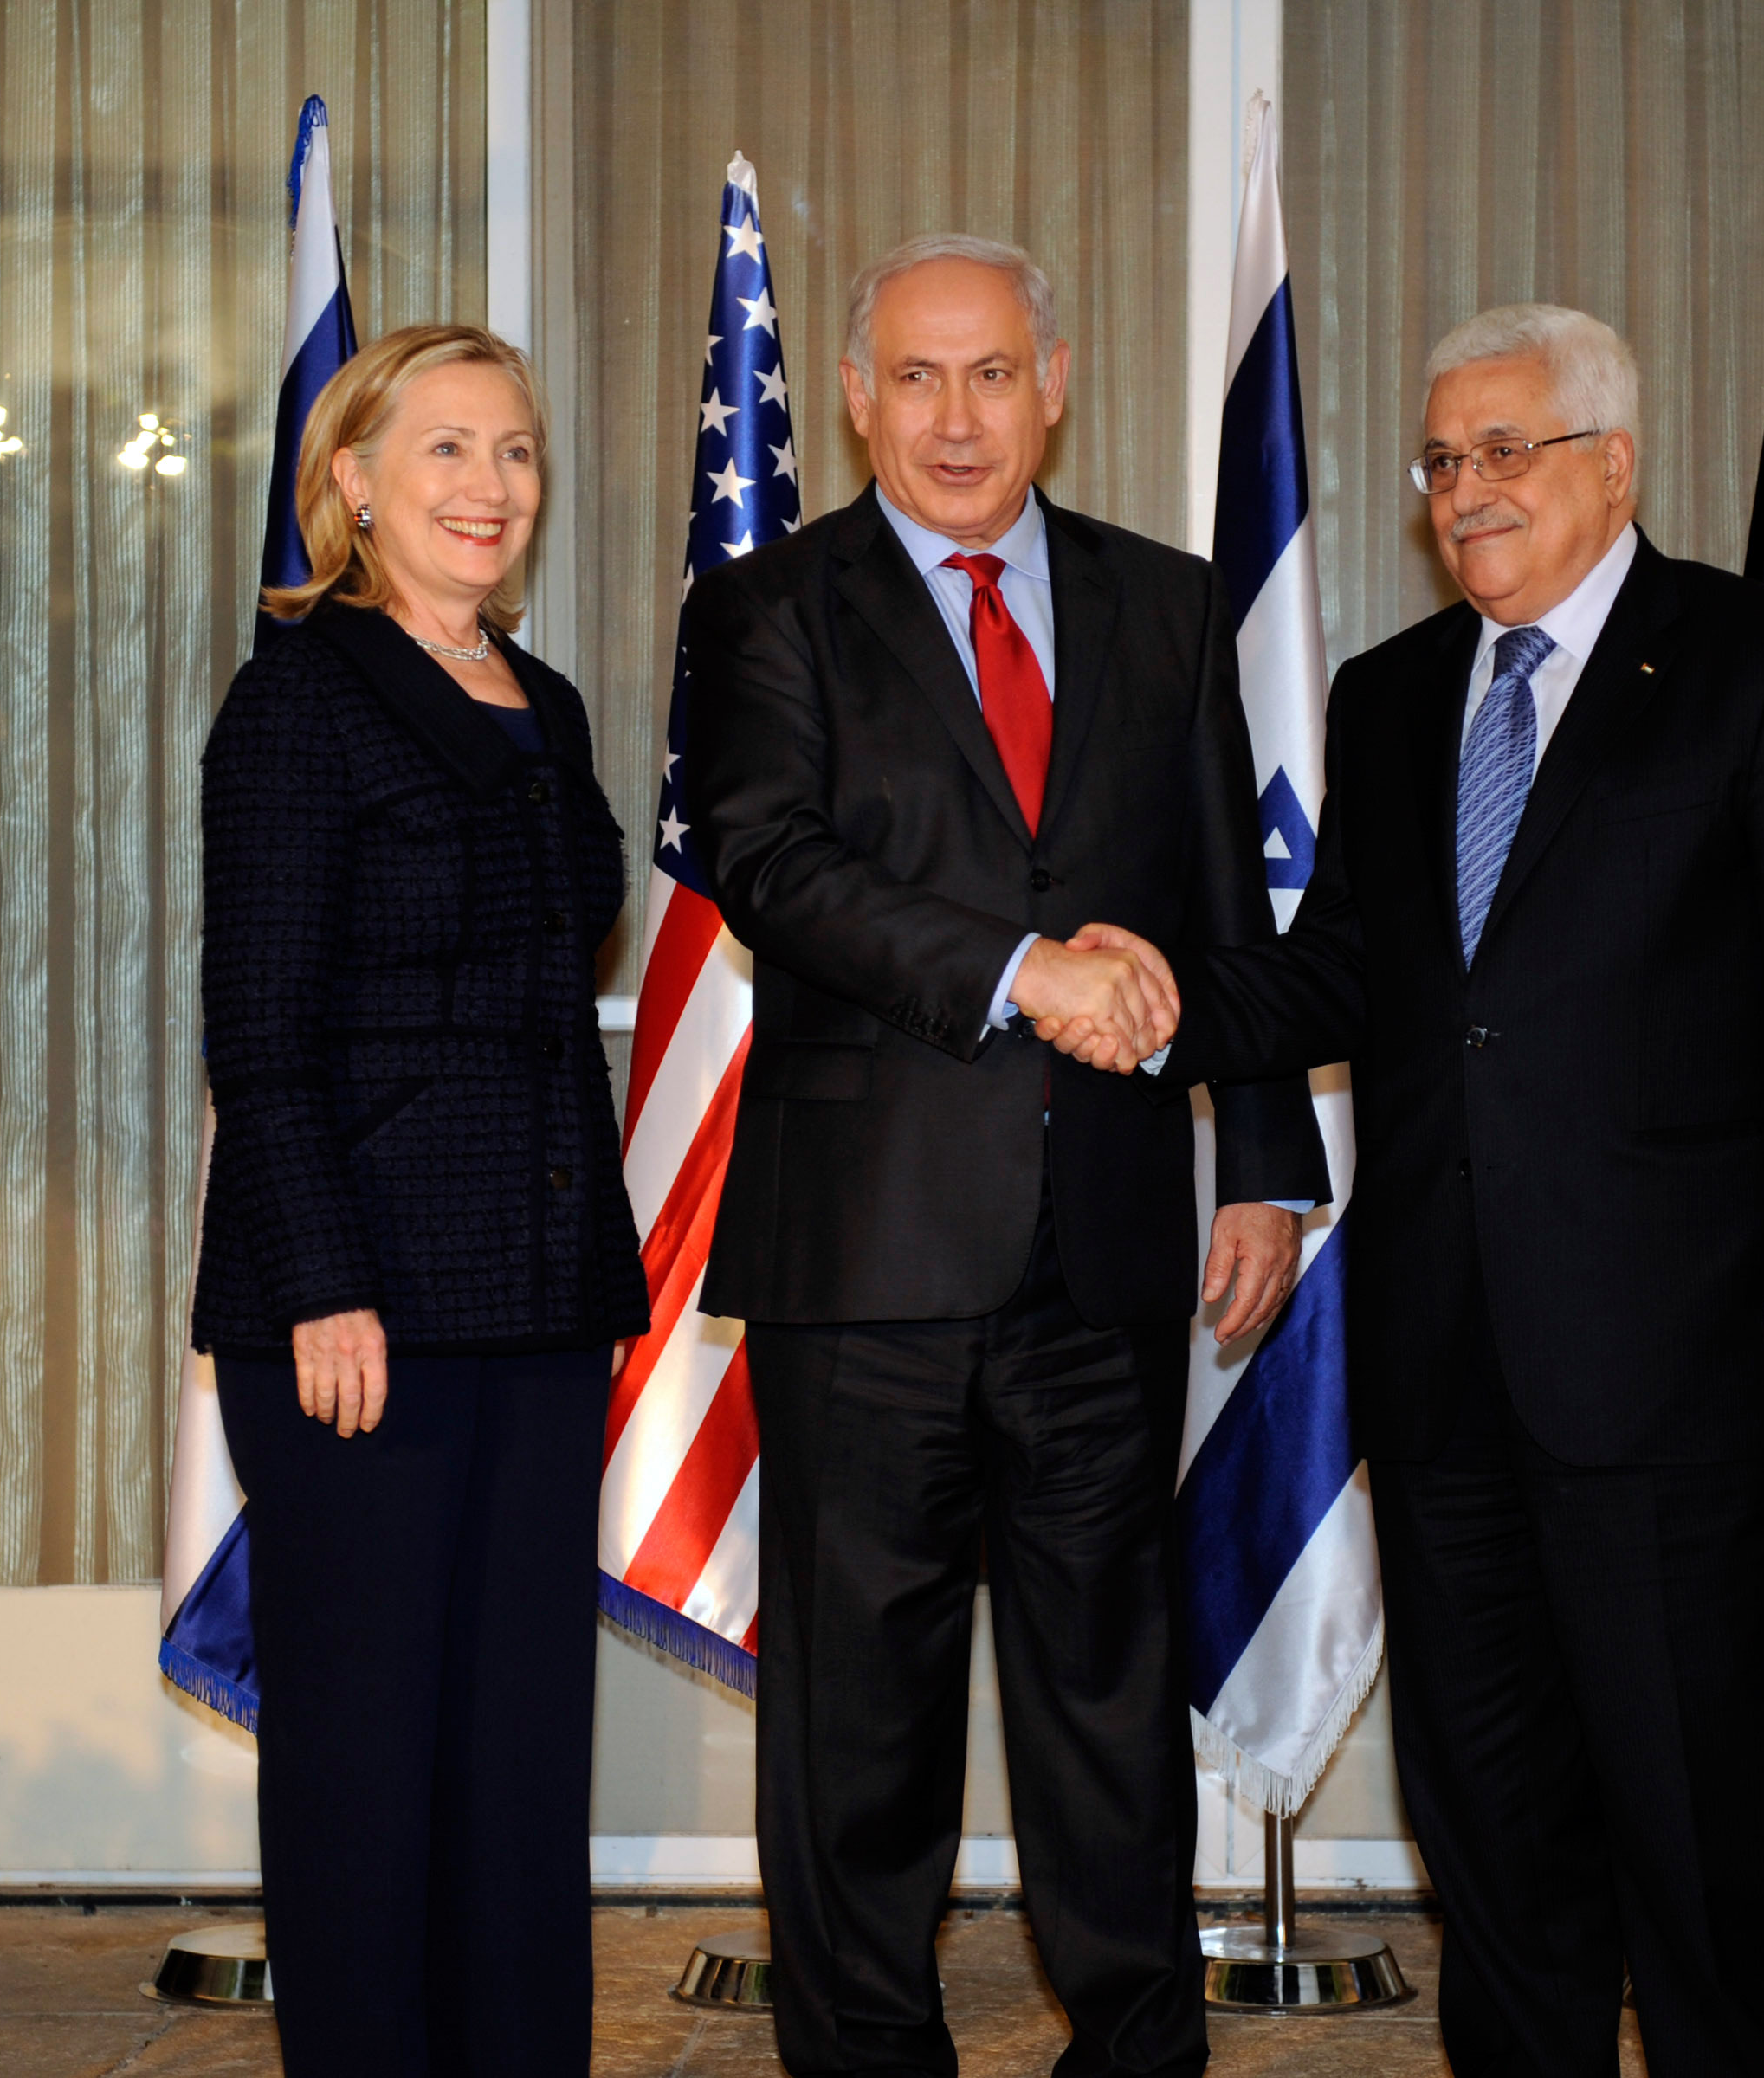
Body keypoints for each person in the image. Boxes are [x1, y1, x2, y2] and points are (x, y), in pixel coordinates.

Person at [1054, 305, 1764, 2077]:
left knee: (1708, 1839)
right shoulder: (1390, 697)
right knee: (1497, 1837)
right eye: (1442, 461)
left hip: (1686, 1366)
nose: (1464, 489)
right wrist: (1140, 993)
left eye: (1504, 449)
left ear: (1614, 461)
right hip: (1447, 1375)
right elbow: (1346, 973)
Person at [682, 233, 1329, 2078]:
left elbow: (1223, 902)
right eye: (914, 378)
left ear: (1057, 380)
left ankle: (1136, 2049)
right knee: (858, 1720)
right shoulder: (770, 612)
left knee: (1107, 1702)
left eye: (990, 375)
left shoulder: (1169, 606)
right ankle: (871, 2054)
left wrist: (1268, 1163)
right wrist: (1020, 974)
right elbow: (773, 869)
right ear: (865, 397)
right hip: (864, 1258)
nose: (954, 417)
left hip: (1105, 1249)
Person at [192, 324, 649, 2078]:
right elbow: (261, 1027)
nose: (489, 486)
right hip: (355, 1311)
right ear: (356, 485)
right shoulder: (300, 696)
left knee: (520, 1750)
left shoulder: (548, 703)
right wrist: (321, 1284)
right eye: (446, 449)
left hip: (540, 1295)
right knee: (367, 1761)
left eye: (517, 452)